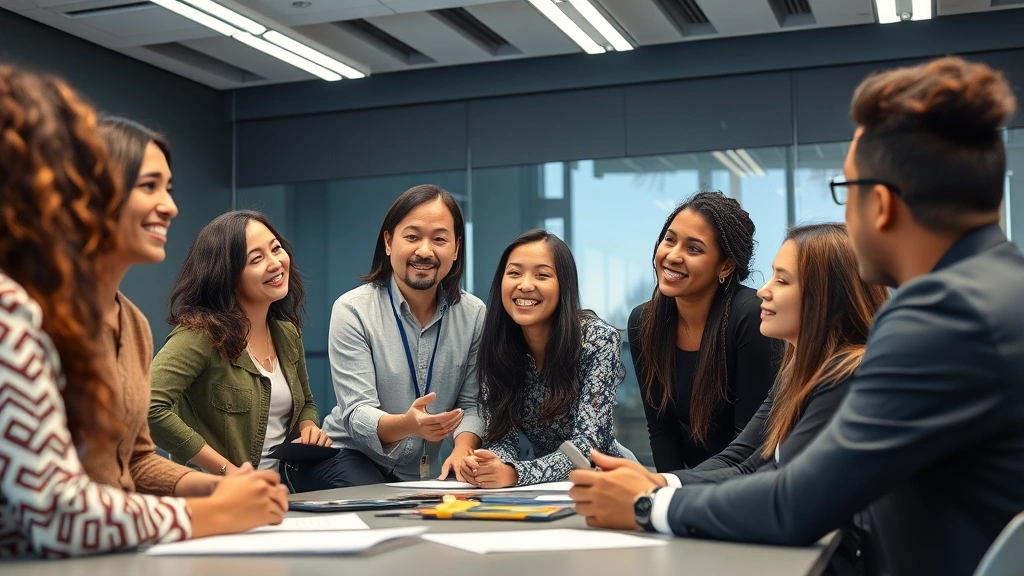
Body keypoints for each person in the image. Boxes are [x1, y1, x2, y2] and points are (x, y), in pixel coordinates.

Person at [569, 56, 1024, 576]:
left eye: (846, 190)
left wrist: (648, 505)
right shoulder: (1001, 290)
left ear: (880, 204)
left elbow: (799, 505)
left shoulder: (943, 315)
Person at [0, 65, 287, 558]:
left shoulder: (130, 321)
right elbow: (55, 512)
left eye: (168, 187)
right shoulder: (15, 311)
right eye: (148, 186)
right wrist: (212, 509)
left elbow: (133, 460)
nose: (170, 206)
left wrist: (212, 488)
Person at [289, 184, 485, 491]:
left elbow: (472, 404)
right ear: (388, 242)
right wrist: (409, 425)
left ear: (456, 248)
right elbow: (356, 413)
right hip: (346, 456)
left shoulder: (473, 314)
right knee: (382, 502)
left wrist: (462, 451)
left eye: (439, 239)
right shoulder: (353, 309)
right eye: (412, 236)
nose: (425, 250)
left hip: (417, 476)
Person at [149, 210, 329, 481]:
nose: (275, 263)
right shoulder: (198, 335)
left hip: (286, 491)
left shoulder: (287, 333)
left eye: (276, 249)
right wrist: (228, 471)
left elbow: (306, 402)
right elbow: (148, 406)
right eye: (256, 259)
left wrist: (308, 427)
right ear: (227, 276)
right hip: (219, 495)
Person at [462, 230, 635, 488]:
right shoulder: (498, 347)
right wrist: (488, 463)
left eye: (542, 275)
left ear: (564, 286)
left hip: (611, 480)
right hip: (544, 489)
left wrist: (514, 473)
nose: (525, 285)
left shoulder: (598, 340)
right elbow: (503, 439)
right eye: (514, 273)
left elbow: (587, 447)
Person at [629, 191, 777, 471]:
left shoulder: (751, 316)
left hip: (750, 482)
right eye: (669, 240)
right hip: (688, 486)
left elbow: (751, 442)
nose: (672, 256)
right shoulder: (643, 321)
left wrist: (687, 492)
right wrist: (668, 496)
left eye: (693, 249)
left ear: (726, 265)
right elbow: (662, 432)